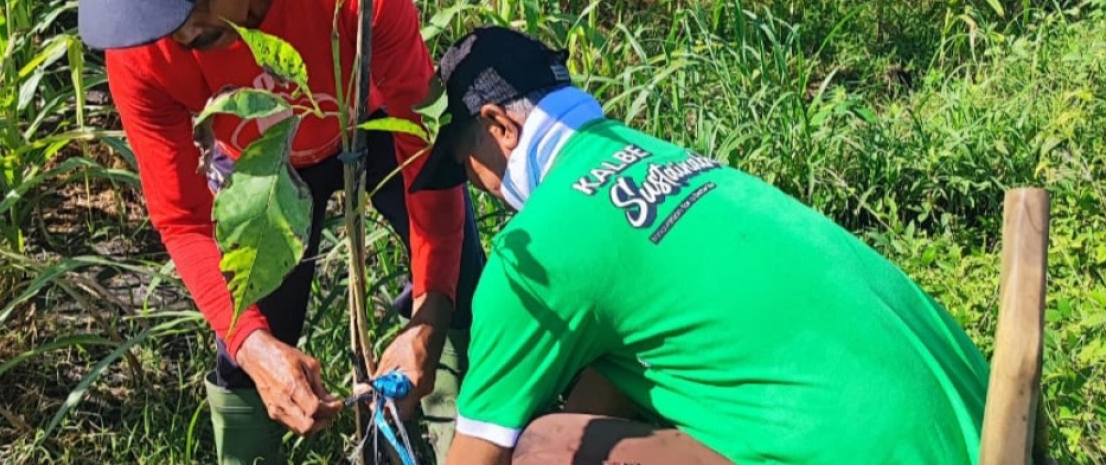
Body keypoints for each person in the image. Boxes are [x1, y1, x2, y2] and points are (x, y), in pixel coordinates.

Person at [59, 0, 485, 464]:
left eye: (195, 2)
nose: (181, 33)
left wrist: (431, 313)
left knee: (464, 290)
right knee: (248, 342)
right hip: (265, 163)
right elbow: (182, 218)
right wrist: (255, 347)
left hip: (368, 122)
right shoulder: (143, 50)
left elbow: (425, 145)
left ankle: (462, 431)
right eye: (152, 19)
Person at [410, 26, 991, 465]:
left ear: (500, 127)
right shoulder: (659, 155)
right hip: (981, 425)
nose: (484, 189)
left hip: (868, 450)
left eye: (471, 166)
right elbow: (626, 361)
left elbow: (477, 457)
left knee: (545, 447)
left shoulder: (534, 252)